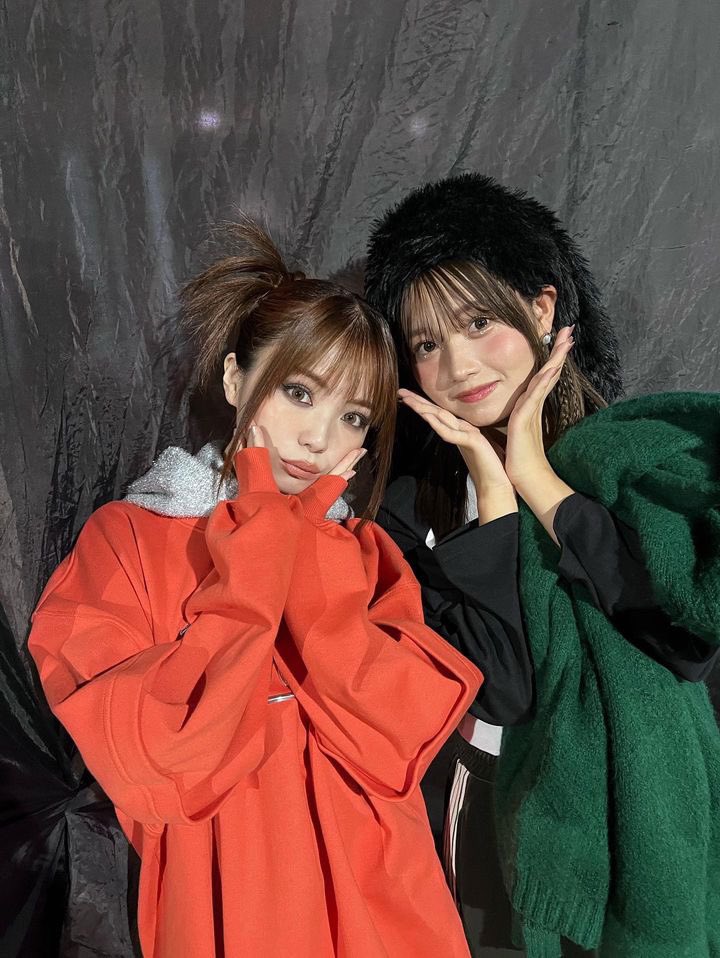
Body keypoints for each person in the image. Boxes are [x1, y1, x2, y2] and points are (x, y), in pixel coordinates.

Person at [28, 220, 481, 958]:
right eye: (299, 393)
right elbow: (157, 758)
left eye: (353, 418)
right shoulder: (131, 539)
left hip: (382, 900)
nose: (318, 439)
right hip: (229, 896)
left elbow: (396, 735)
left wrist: (305, 546)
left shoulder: (361, 554)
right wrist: (261, 552)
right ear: (237, 380)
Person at [365, 173, 720, 957]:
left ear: (541, 309)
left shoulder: (621, 464)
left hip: (632, 825)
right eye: (427, 344)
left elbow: (684, 640)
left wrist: (537, 482)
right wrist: (495, 506)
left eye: (478, 322)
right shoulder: (410, 510)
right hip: (479, 818)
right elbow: (506, 686)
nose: (458, 365)